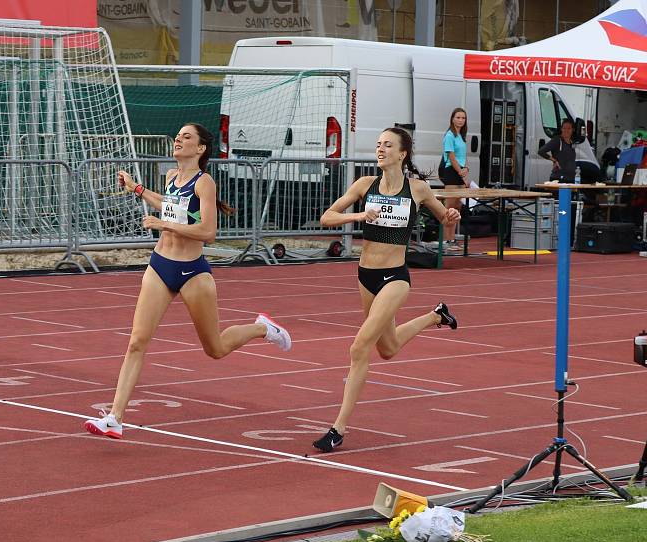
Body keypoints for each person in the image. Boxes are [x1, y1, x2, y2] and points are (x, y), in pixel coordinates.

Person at [85, 123, 291, 439]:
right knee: (137, 341)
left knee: (216, 349)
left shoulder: (204, 183)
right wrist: (136, 189)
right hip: (160, 266)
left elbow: (208, 232)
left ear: (200, 148)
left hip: (193, 273)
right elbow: (169, 208)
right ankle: (114, 417)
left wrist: (163, 223)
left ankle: (263, 328)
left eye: (187, 137)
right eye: (178, 136)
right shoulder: (171, 177)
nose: (179, 140)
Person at [311, 127, 460, 453]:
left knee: (359, 347)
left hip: (395, 277)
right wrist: (363, 213)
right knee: (388, 348)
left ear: (402, 153)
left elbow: (446, 218)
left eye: (387, 145)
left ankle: (338, 428)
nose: (380, 149)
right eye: (378, 144)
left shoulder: (417, 188)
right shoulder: (366, 185)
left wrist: (452, 213)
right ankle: (436, 317)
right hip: (366, 276)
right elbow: (327, 217)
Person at [439, 108, 469, 250]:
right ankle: (447, 239)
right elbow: (451, 155)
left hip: (461, 171)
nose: (460, 120)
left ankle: (452, 239)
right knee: (449, 208)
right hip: (452, 172)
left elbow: (463, 156)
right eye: (458, 117)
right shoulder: (449, 135)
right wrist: (459, 171)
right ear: (452, 119)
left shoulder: (461, 136)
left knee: (458, 207)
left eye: (463, 118)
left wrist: (466, 170)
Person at [538, 118, 576, 183]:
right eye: (564, 128)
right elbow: (541, 151)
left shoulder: (572, 142)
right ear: (561, 129)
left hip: (570, 179)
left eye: (569, 128)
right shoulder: (557, 140)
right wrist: (554, 160)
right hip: (559, 178)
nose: (566, 130)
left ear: (573, 130)